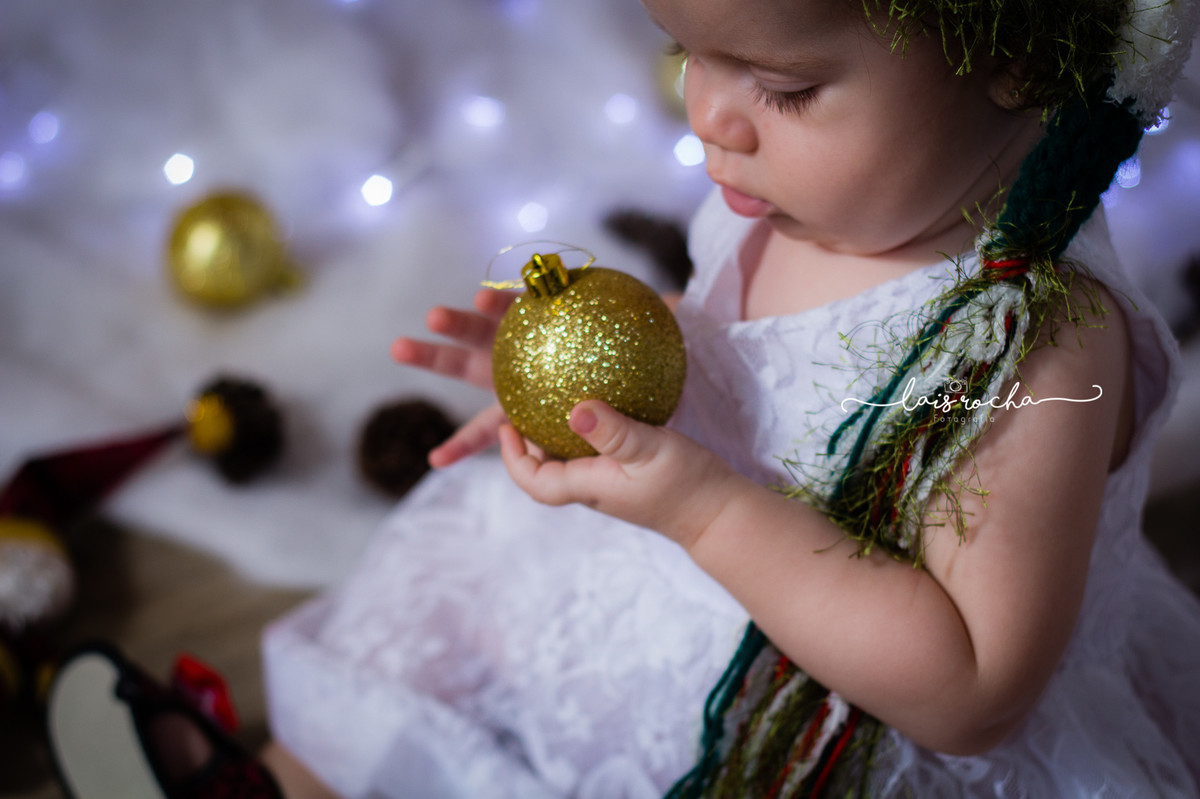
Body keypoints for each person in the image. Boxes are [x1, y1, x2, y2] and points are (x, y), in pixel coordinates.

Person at [46, 0, 1200, 796]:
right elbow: (764, 357)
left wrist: (702, 509)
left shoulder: (1043, 348)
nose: (710, 117)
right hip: (676, 571)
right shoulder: (786, 197)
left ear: (1015, 55)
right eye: (688, 52)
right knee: (465, 609)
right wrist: (610, 352)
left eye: (786, 87)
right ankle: (295, 777)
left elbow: (971, 689)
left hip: (825, 724)